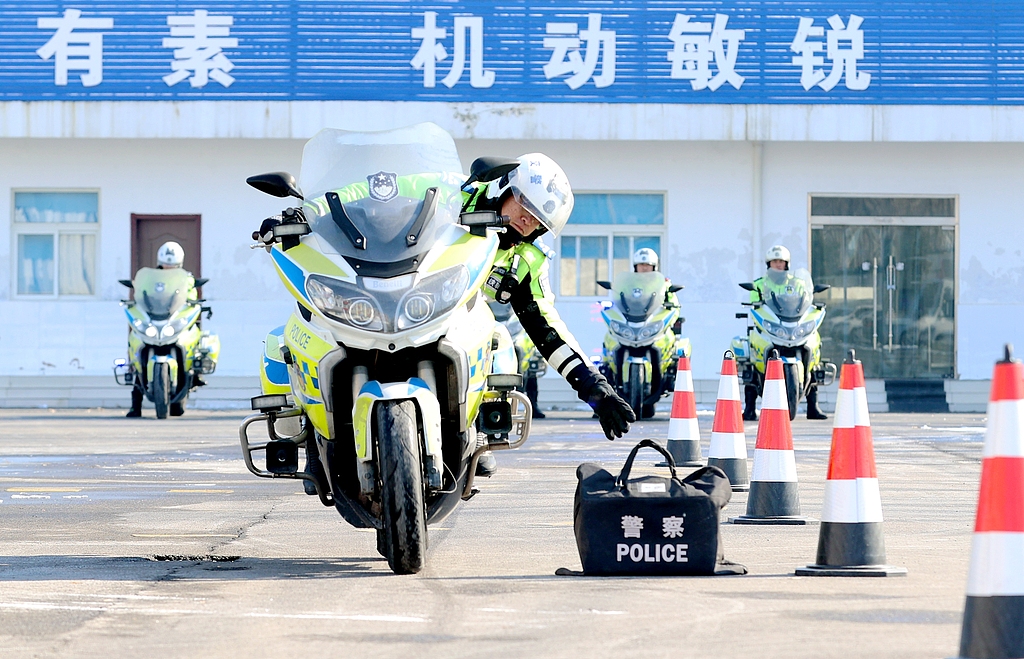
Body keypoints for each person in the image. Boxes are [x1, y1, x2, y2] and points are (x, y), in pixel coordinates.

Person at [464, 154, 636, 475]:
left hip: (461, 330)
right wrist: (338, 207)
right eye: (524, 206)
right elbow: (384, 194)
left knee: (500, 344)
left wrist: (594, 387)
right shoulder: (452, 198)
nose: (527, 221)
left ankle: (472, 433)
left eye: (538, 219)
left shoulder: (527, 260)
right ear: (506, 186)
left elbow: (548, 329)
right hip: (409, 305)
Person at [743, 245, 827, 421]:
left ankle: (813, 407)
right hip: (771, 326)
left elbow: (805, 297)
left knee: (814, 350)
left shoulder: (796, 282)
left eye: (781, 261)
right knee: (752, 358)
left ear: (787, 264)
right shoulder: (760, 284)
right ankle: (750, 407)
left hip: (793, 324)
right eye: (775, 261)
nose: (778, 265)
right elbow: (754, 305)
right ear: (769, 264)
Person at [126, 241, 197, 417]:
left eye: (172, 264)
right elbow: (141, 293)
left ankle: (193, 376)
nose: (168, 267)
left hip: (173, 321)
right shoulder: (151, 278)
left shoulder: (186, 278)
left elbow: (191, 297)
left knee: (190, 345)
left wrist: (193, 302)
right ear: (160, 261)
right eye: (166, 263)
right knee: (137, 356)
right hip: (154, 320)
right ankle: (136, 405)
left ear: (179, 263)